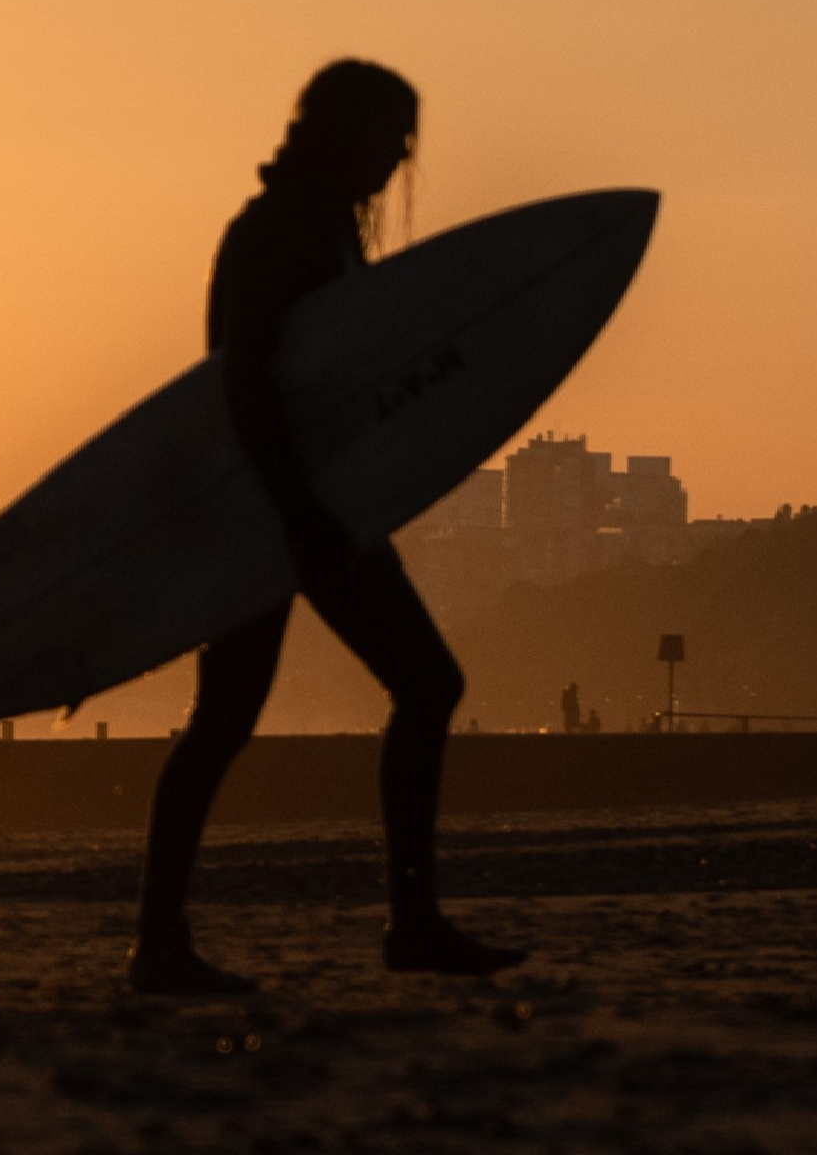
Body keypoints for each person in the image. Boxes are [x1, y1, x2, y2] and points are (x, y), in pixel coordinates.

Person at [128, 60, 528, 993]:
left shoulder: (318, 230)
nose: (399, 160)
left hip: (300, 506)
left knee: (244, 717)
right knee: (403, 686)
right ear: (344, 134)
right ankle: (398, 924)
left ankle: (169, 941)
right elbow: (245, 384)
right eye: (391, 140)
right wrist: (301, 514)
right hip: (279, 510)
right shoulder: (277, 233)